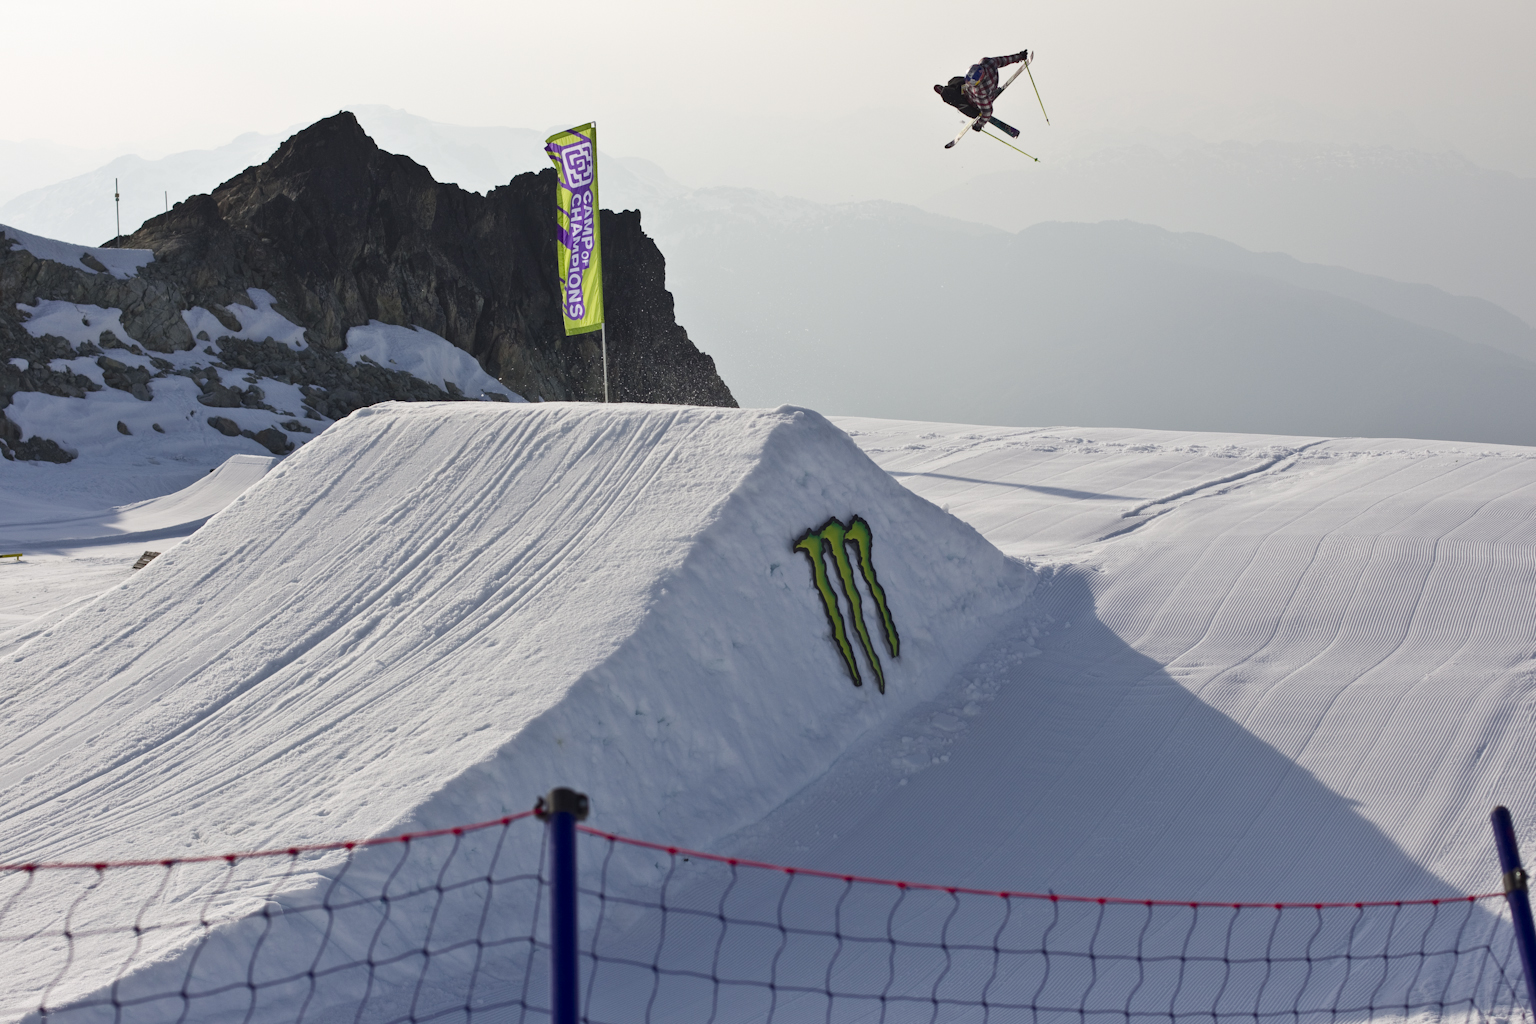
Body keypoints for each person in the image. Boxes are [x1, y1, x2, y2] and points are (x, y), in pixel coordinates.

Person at [934, 50, 1031, 132]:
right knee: (953, 81)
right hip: (972, 90)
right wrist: (1019, 57)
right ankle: (951, 87)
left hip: (973, 105)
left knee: (950, 95)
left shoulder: (980, 92)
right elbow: (1003, 60)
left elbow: (987, 112)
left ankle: (945, 91)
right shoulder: (988, 62)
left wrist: (979, 124)